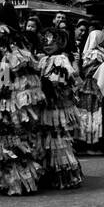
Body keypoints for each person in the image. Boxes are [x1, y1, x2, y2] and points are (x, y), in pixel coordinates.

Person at [0, 3, 47, 195]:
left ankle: (13, 182)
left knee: (8, 134)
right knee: (21, 134)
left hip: (8, 91)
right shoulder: (20, 36)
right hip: (25, 94)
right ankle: (26, 179)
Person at [35, 28, 84, 189]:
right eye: (45, 40)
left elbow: (64, 80)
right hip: (47, 107)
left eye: (52, 41)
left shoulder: (62, 59)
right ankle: (50, 172)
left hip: (58, 106)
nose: (47, 44)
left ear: (60, 42)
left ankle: (64, 174)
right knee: (48, 140)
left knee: (59, 140)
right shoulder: (43, 60)